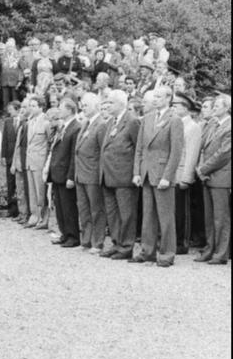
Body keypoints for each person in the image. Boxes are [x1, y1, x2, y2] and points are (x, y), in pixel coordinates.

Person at [132, 86, 184, 267]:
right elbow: (140, 148)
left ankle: (167, 253)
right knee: (148, 216)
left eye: (159, 96)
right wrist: (137, 172)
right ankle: (147, 251)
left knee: (166, 217)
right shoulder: (147, 118)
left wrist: (167, 176)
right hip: (147, 173)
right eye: (154, 96)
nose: (155, 99)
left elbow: (176, 152)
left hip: (162, 174)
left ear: (168, 98)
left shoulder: (174, 120)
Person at [99, 89, 140, 260]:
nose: (107, 105)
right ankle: (116, 243)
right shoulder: (111, 122)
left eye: (111, 102)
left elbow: (138, 148)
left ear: (121, 103)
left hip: (124, 176)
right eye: (107, 102)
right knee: (113, 214)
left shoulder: (132, 121)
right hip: (108, 175)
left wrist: (136, 173)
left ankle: (126, 246)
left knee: (126, 214)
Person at [195, 94, 231, 265]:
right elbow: (204, 148)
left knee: (221, 217)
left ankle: (221, 253)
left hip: (221, 176)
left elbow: (223, 154)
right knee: (209, 217)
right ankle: (210, 249)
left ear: (227, 108)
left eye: (217, 106)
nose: (214, 108)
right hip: (208, 176)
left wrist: (203, 168)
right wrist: (201, 169)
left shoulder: (229, 126)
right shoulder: (212, 124)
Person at [74, 93, 108, 254]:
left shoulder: (101, 125)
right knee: (84, 209)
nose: (83, 108)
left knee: (97, 209)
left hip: (93, 173)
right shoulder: (85, 123)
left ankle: (98, 241)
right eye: (82, 105)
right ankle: (86, 240)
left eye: (86, 105)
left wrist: (101, 175)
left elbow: (102, 152)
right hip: (81, 172)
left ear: (96, 106)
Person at [171, 92, 203, 255]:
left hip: (181, 173)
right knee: (173, 210)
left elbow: (192, 154)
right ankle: (173, 240)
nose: (173, 108)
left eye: (176, 105)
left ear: (185, 108)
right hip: (171, 173)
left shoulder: (192, 127)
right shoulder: (175, 123)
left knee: (182, 211)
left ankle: (182, 242)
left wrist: (186, 177)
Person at [48, 99, 81, 247]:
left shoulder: (76, 127)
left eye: (61, 108)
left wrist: (71, 176)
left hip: (66, 173)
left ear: (69, 110)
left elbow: (74, 154)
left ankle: (73, 236)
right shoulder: (65, 126)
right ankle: (64, 233)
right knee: (60, 207)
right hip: (57, 172)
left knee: (68, 207)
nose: (59, 110)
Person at [24, 95, 51, 229]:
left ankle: (42, 218)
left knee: (41, 190)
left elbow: (50, 142)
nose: (31, 108)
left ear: (41, 107)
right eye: (30, 105)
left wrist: (47, 161)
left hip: (40, 160)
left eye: (34, 106)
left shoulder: (46, 122)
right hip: (30, 159)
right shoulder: (30, 121)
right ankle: (34, 215)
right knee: (32, 190)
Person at [10, 99, 30, 224]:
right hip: (17, 163)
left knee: (26, 191)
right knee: (19, 190)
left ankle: (27, 214)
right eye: (21, 110)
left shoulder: (28, 126)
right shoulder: (21, 126)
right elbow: (17, 146)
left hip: (25, 163)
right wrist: (14, 163)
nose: (21, 113)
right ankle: (22, 213)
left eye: (24, 109)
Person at [0, 101, 21, 217]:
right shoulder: (7, 121)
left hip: (20, 157)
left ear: (17, 109)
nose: (9, 112)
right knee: (10, 183)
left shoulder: (24, 121)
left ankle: (20, 209)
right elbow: (4, 140)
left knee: (20, 184)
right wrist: (3, 155)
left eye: (11, 109)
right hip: (9, 156)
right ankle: (11, 209)